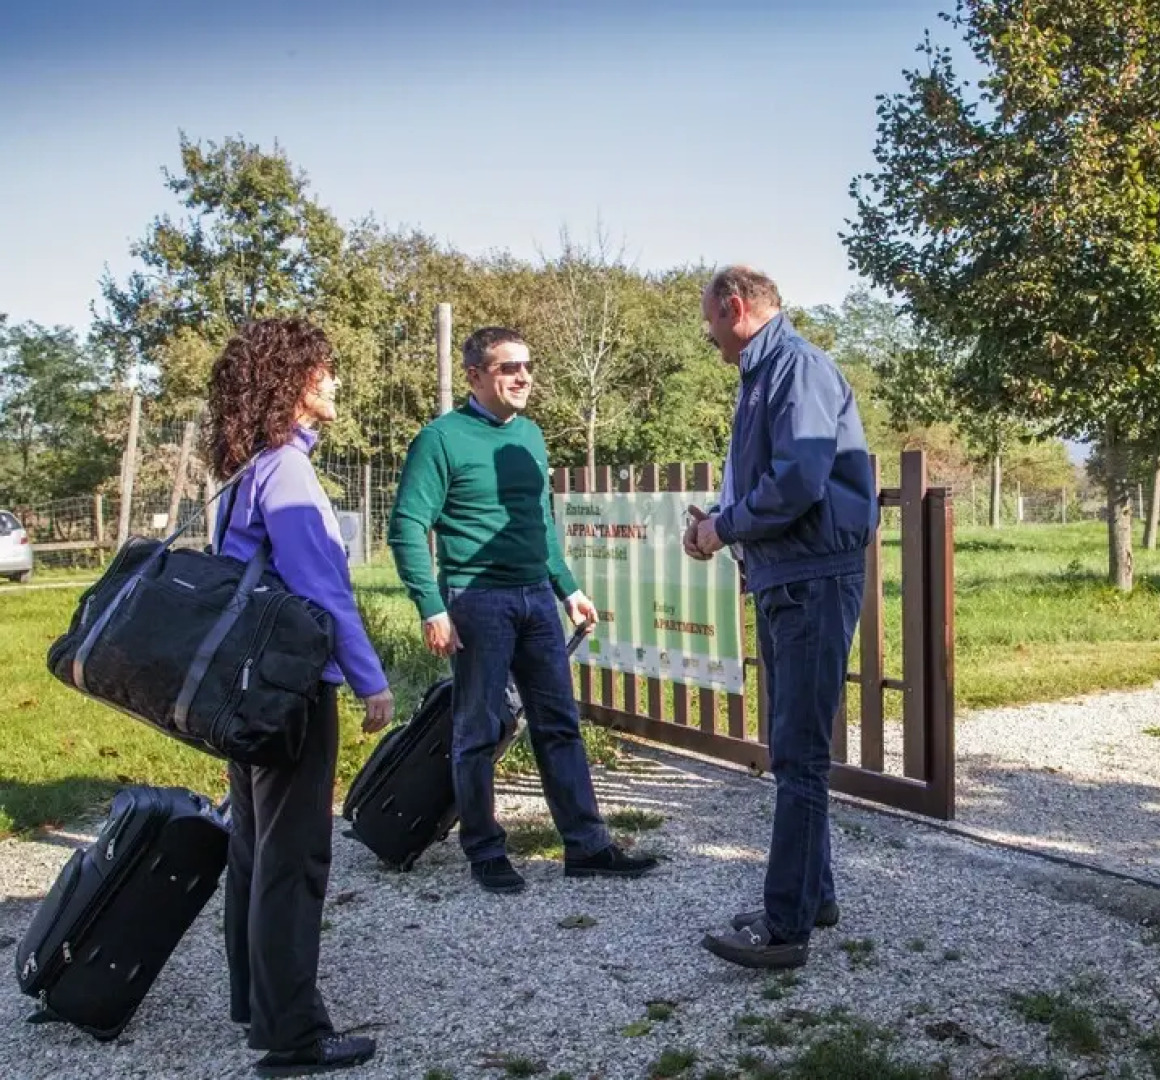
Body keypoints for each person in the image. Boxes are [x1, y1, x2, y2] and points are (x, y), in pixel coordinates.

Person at [387, 326, 656, 894]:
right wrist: (431, 606)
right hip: (476, 600)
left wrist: (568, 588)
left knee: (560, 725)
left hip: (537, 598)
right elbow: (408, 526)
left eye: (527, 366)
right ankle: (485, 850)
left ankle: (587, 846)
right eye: (508, 367)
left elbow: (539, 523)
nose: (523, 376)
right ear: (475, 376)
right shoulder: (440, 439)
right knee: (478, 730)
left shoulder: (529, 437)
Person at [207, 317, 394, 1076]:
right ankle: (294, 1037)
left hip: (247, 690)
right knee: (294, 859)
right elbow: (324, 592)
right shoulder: (285, 471)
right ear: (295, 382)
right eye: (326, 371)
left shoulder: (247, 469)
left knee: (255, 850)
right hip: (289, 691)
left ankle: (260, 1005)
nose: (337, 383)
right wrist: (370, 679)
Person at [685, 266, 877, 969]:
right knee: (792, 747)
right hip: (787, 575)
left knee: (797, 757)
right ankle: (812, 896)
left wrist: (724, 527)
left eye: (710, 319)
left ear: (735, 307)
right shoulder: (768, 374)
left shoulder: (794, 368)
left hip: (808, 578)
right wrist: (719, 524)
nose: (707, 334)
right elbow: (775, 476)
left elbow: (797, 480)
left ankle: (785, 926)